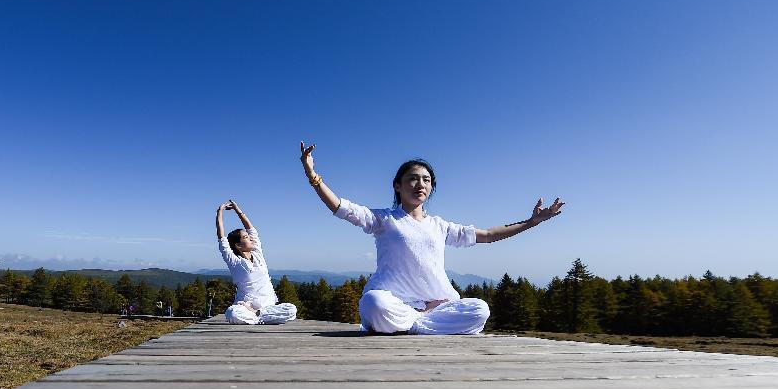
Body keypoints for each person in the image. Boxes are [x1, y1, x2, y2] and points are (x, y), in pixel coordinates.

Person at [299, 141, 564, 335]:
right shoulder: (383, 219)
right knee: (373, 303)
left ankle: (411, 324)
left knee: (480, 309)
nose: (420, 184)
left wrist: (532, 222)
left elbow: (488, 235)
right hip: (394, 302)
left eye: (426, 180)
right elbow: (341, 207)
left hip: (436, 304)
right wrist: (313, 176)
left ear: (431, 187)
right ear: (398, 186)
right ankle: (417, 321)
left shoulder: (440, 226)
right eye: (413, 179)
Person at [215, 200, 298, 325]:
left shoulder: (257, 253)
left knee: (292, 309)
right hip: (246, 306)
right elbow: (222, 239)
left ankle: (258, 316)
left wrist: (238, 210)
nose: (250, 238)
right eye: (246, 237)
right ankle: (260, 317)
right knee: (232, 313)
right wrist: (220, 212)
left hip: (267, 306)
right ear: (238, 245)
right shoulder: (234, 262)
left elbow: (251, 228)